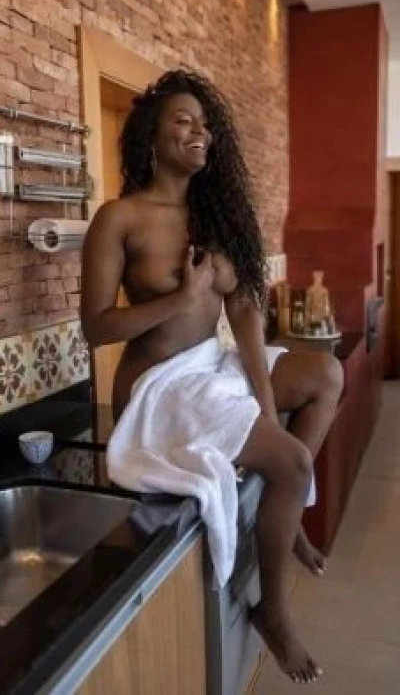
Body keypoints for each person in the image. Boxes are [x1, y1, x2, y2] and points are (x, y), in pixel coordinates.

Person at [80, 70, 343, 684]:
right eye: (184, 120)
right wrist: (181, 298)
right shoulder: (119, 218)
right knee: (292, 463)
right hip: (159, 386)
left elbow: (245, 315)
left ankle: (284, 513)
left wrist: (262, 399)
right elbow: (95, 327)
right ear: (151, 134)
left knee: (326, 374)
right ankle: (273, 610)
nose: (200, 132)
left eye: (205, 124)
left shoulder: (212, 218)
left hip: (208, 365)